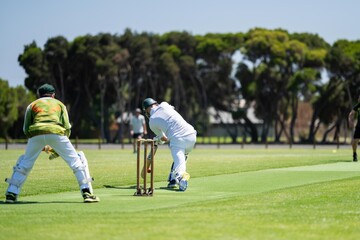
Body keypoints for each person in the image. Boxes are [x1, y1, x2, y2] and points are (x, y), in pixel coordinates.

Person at [4, 83, 100, 203]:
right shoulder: (60, 104)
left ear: (39, 94)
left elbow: (26, 128)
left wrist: (39, 144)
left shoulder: (32, 105)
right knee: (77, 161)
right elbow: (67, 127)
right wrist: (60, 147)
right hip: (57, 133)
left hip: (35, 133)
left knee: (24, 163)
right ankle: (86, 192)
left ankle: (12, 193)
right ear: (53, 95)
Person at [142, 98, 197, 191]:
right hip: (192, 135)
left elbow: (164, 138)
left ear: (147, 109)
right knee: (182, 158)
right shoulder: (164, 104)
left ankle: (182, 177)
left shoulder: (152, 121)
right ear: (155, 104)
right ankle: (173, 180)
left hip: (178, 140)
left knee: (180, 165)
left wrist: (158, 140)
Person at [349, 95, 360, 162]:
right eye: (359, 97)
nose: (359, 99)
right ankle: (354, 154)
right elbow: (351, 113)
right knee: (354, 141)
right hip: (359, 126)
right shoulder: (358, 106)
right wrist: (350, 120)